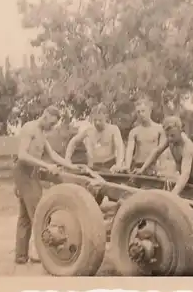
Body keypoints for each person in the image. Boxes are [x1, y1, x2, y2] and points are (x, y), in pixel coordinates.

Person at [14, 105, 82, 265]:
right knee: (39, 213)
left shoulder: (42, 134)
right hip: (24, 173)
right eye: (51, 123)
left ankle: (21, 256)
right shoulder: (29, 128)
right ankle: (42, 253)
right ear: (45, 114)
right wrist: (45, 166)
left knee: (25, 215)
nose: (51, 128)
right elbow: (22, 155)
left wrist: (72, 166)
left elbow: (53, 155)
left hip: (31, 173)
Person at [132, 116, 193, 194]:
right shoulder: (171, 139)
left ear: (180, 130)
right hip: (185, 181)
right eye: (167, 135)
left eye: (172, 135)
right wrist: (142, 169)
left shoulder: (187, 147)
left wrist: (173, 194)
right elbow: (156, 151)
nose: (169, 139)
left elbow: (185, 174)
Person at [65, 103, 125, 172]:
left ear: (106, 117)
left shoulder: (113, 129)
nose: (97, 123)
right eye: (95, 120)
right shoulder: (89, 130)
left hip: (109, 165)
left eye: (100, 120)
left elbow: (119, 148)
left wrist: (118, 165)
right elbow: (73, 142)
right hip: (94, 166)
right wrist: (67, 158)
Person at [122, 98, 164, 175]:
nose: (141, 114)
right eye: (138, 112)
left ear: (150, 111)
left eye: (143, 111)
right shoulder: (134, 132)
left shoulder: (160, 129)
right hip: (138, 165)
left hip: (153, 167)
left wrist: (161, 169)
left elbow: (162, 150)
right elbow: (129, 150)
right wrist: (127, 166)